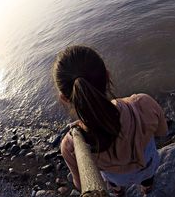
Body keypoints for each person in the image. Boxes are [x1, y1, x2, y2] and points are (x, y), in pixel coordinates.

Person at [52, 45, 168, 195]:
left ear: (64, 98)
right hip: (147, 167)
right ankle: (147, 187)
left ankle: (118, 191)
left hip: (117, 178)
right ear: (108, 76)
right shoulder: (143, 104)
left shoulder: (70, 145)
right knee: (148, 176)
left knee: (113, 182)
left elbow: (80, 183)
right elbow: (162, 131)